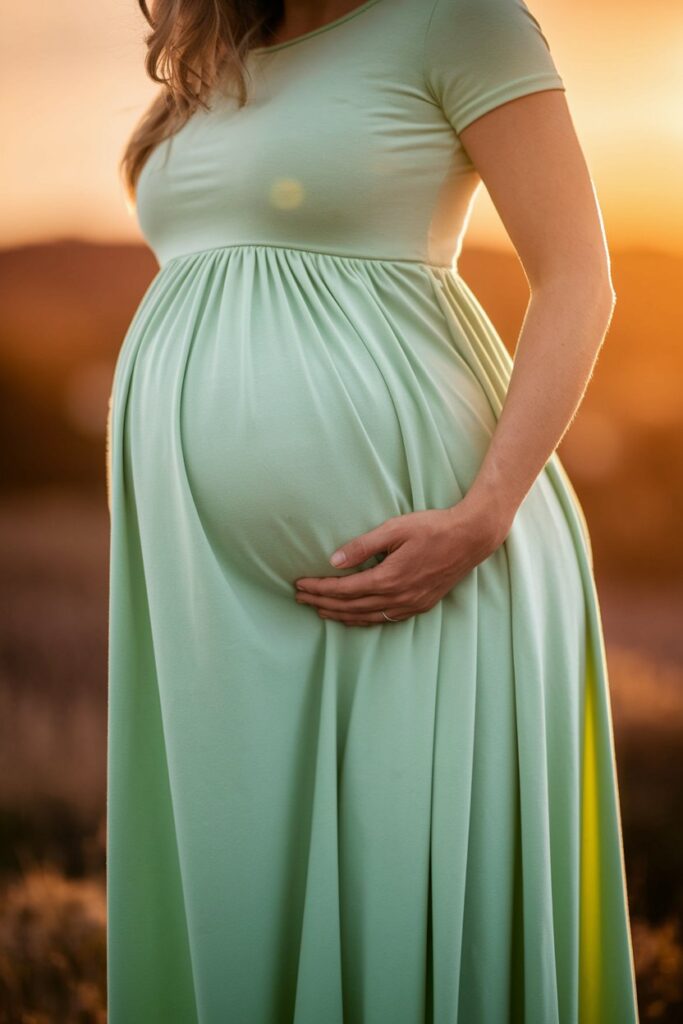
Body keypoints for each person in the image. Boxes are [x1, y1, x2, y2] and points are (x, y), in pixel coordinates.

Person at [105, 0, 640, 1020]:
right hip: (204, 597)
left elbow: (579, 277)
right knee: (240, 892)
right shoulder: (213, 55)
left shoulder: (461, 22)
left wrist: (483, 514)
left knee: (403, 888)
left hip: (428, 553)